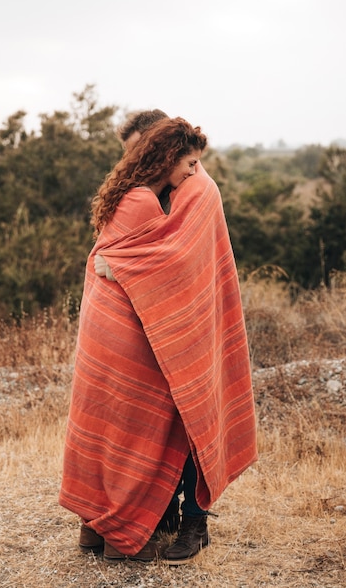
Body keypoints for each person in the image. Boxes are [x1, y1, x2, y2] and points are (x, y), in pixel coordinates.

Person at [59, 117, 257, 565]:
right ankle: (140, 522)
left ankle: (192, 523)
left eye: (137, 150)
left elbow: (178, 258)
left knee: (183, 419)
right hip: (142, 322)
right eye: (129, 152)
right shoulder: (145, 194)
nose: (131, 160)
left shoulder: (197, 191)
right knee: (141, 422)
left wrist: (124, 267)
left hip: (185, 322)